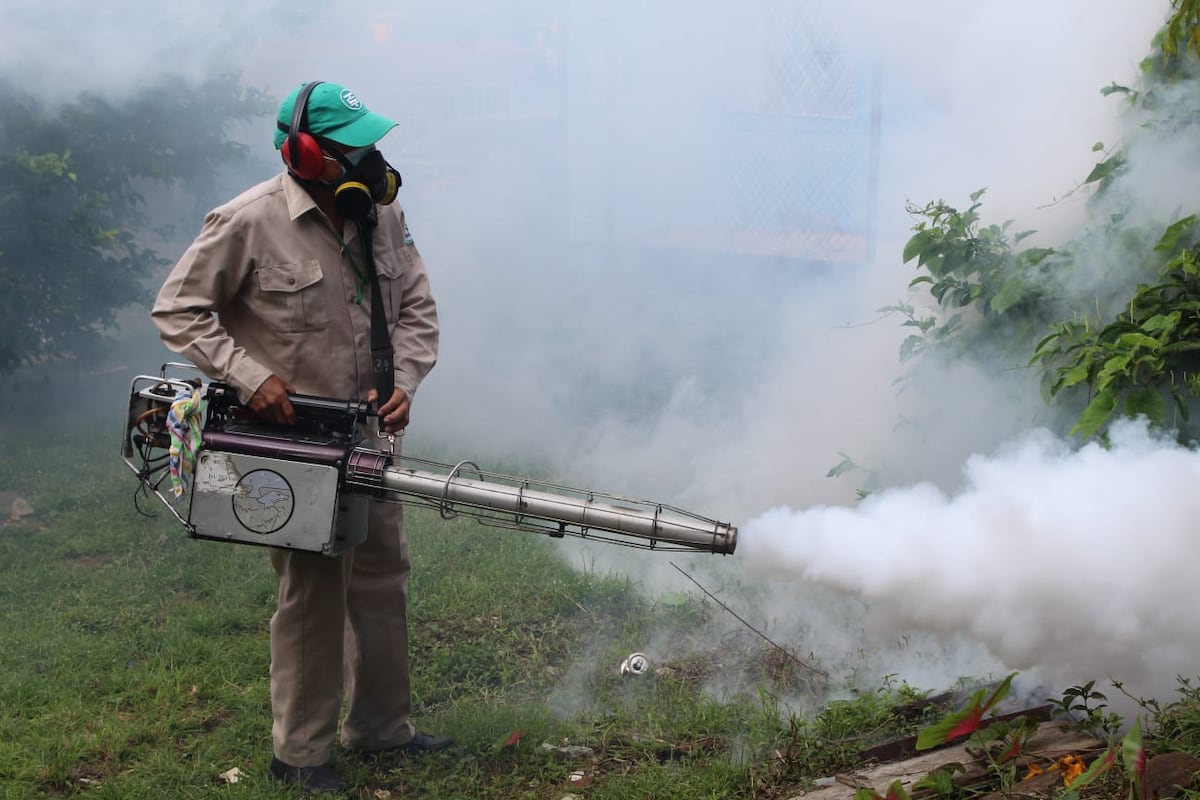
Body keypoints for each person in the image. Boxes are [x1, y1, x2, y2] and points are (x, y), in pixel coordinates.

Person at [151, 80, 448, 793]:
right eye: (355, 149)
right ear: (307, 153)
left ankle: (382, 729)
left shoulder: (381, 213)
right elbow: (180, 308)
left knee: (381, 581)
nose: (373, 161)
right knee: (314, 594)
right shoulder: (248, 221)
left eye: (375, 145)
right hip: (299, 446)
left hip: (370, 436)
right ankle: (302, 756)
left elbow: (416, 306)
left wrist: (404, 378)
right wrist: (250, 377)